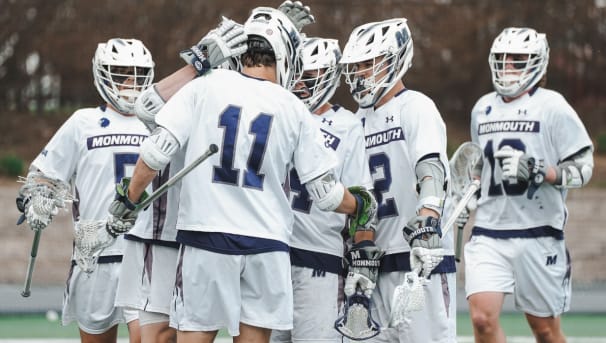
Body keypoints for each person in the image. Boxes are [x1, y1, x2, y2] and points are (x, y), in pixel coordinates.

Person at [106, 7, 378, 343]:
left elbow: (154, 152)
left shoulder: (205, 86)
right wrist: (360, 204)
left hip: (206, 238)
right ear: (285, 54)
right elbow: (326, 194)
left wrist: (129, 200)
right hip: (268, 245)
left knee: (195, 336)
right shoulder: (293, 107)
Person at [114, 17, 247, 343]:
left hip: (213, 234)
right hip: (173, 232)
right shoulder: (197, 93)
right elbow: (147, 108)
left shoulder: (243, 100)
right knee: (159, 335)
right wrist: (198, 65)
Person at [16, 38, 155, 343]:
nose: (131, 82)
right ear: (103, 75)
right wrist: (38, 199)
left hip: (144, 255)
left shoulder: (158, 124)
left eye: (137, 74)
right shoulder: (84, 123)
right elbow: (44, 175)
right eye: (121, 74)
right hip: (97, 254)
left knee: (147, 337)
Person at [465, 27, 594, 343]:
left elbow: (584, 168)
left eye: (517, 59)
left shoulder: (552, 106)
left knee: (546, 331)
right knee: (482, 320)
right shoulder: (482, 108)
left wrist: (542, 172)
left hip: (538, 232)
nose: (508, 65)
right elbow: (479, 164)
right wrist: (470, 186)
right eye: (502, 58)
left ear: (538, 63)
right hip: (489, 231)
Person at [339, 18, 456, 342]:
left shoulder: (416, 106)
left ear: (394, 59)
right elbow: (363, 197)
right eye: (357, 65)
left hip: (420, 257)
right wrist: (362, 243)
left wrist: (428, 219)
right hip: (374, 262)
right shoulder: (357, 120)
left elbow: (430, 168)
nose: (360, 72)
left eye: (368, 63)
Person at [269, 37, 374, 343]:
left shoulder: (347, 125)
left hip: (320, 259)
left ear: (329, 76)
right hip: (271, 253)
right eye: (297, 73)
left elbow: (363, 203)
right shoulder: (278, 112)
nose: (301, 83)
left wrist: (362, 270)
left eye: (310, 75)